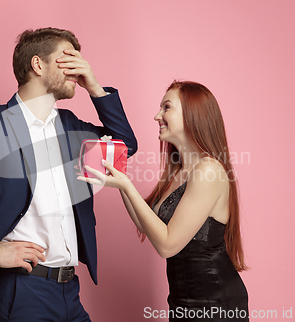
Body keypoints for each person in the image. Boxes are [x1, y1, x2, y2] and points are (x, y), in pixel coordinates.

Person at [0, 27, 137, 321]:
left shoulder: (70, 126)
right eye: (67, 59)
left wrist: (95, 87)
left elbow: (125, 146)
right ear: (37, 64)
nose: (78, 68)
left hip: (70, 291)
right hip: (19, 292)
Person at [79, 81, 248, 321]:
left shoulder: (209, 170)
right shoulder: (178, 171)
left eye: (166, 107)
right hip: (181, 301)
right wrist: (119, 179)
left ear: (193, 113)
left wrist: (126, 186)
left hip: (215, 302)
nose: (157, 116)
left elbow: (167, 245)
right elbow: (144, 223)